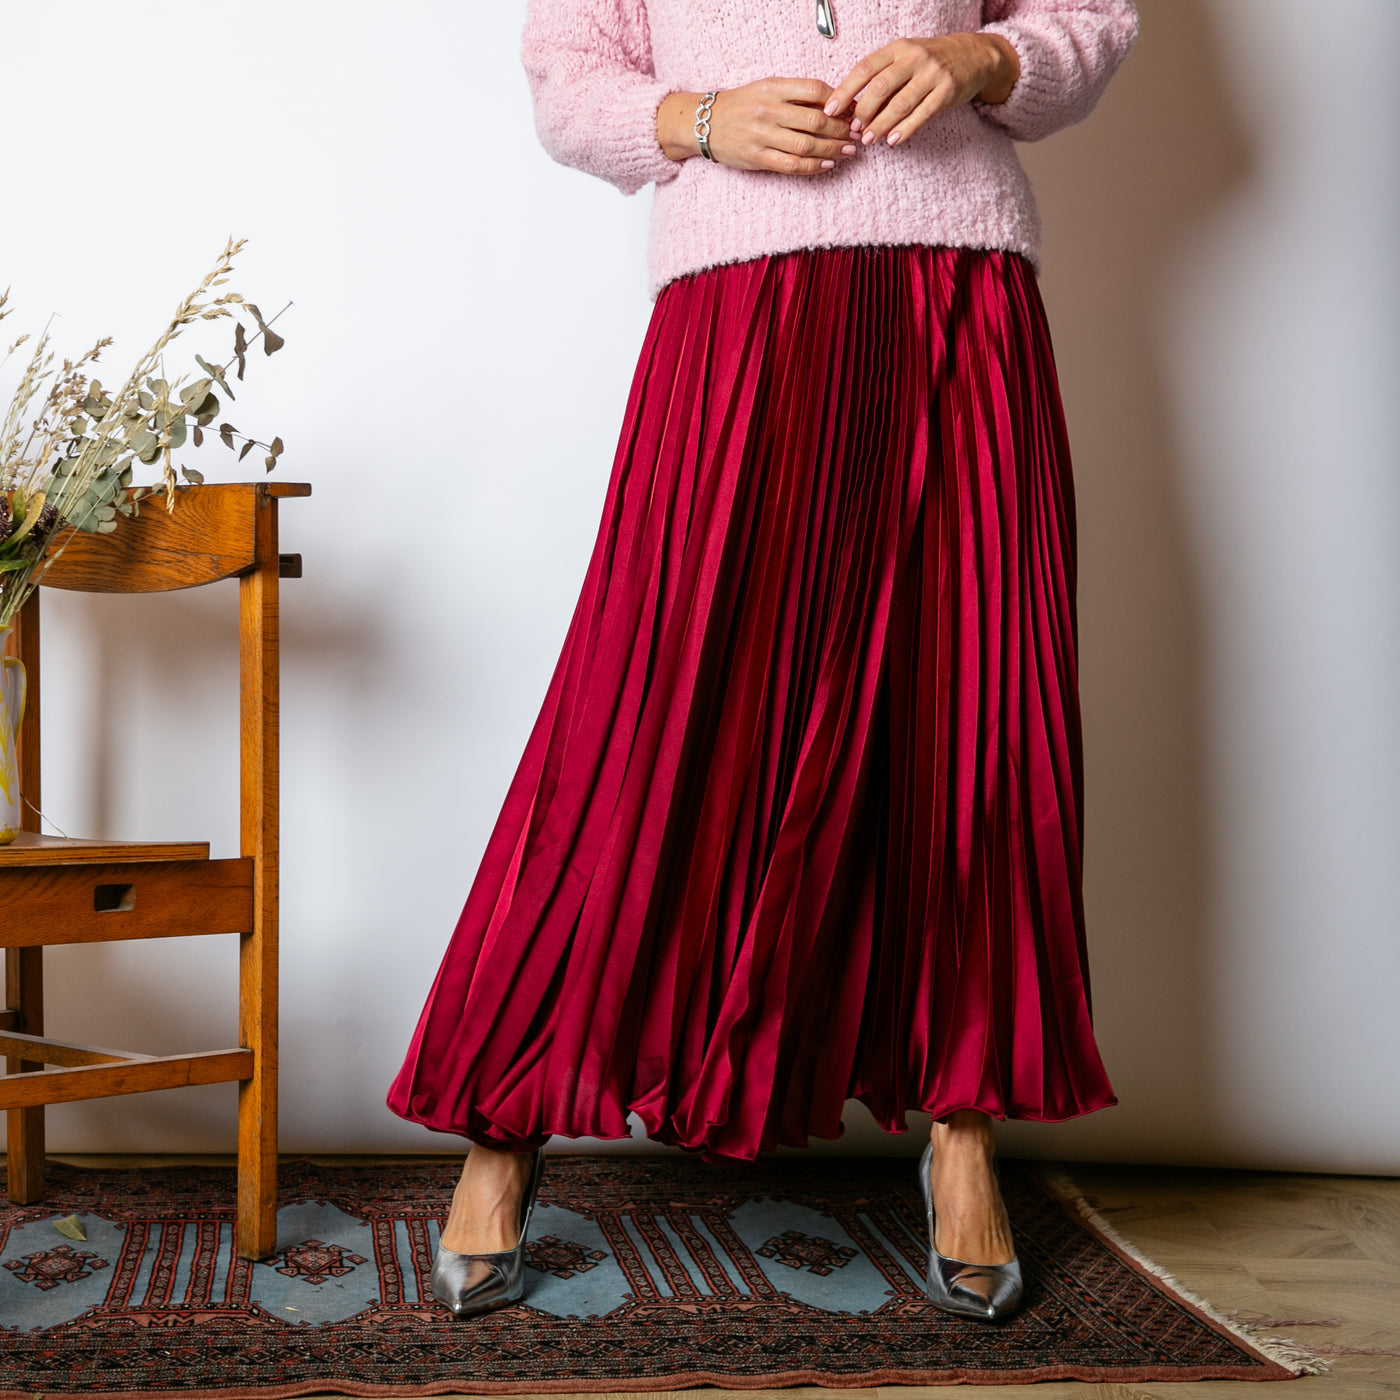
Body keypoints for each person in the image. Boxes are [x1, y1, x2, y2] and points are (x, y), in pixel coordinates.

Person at [389, 0, 1138, 1322]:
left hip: (961, 300)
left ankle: (964, 1131)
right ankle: (502, 1118)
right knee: (648, 715)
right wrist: (697, 120)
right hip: (736, 319)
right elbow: (570, 81)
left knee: (969, 722)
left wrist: (982, 58)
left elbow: (1090, 22)